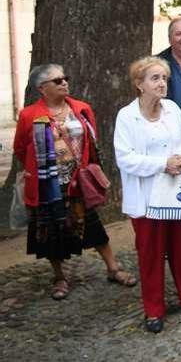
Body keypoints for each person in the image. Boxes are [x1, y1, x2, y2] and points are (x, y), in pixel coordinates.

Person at [13, 64, 137, 301]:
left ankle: (113, 268)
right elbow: (21, 148)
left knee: (93, 226)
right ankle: (59, 276)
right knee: (50, 231)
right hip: (47, 184)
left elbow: (92, 140)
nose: (64, 83)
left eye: (65, 78)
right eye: (57, 80)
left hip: (77, 181)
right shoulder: (29, 115)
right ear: (42, 88)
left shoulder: (81, 109)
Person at [114, 57, 181, 333]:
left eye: (164, 78)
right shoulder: (127, 116)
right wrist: (162, 163)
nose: (162, 83)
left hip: (175, 192)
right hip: (146, 198)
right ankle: (154, 309)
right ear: (139, 84)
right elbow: (125, 158)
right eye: (155, 78)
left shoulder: (171, 109)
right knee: (150, 254)